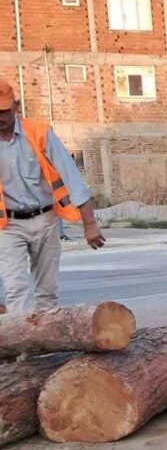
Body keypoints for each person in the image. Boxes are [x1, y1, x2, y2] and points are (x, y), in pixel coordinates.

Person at [0, 79, 104, 313]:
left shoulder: (39, 133)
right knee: (16, 288)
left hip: (46, 220)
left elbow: (72, 177)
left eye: (4, 111)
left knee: (46, 292)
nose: (0, 117)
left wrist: (90, 223)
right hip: (8, 226)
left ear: (16, 106)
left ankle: (44, 343)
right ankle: (22, 346)